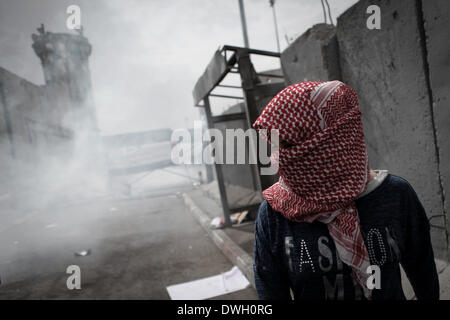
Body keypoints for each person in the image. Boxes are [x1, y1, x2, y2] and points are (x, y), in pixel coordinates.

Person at [252, 80, 439, 300]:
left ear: (328, 143)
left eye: (289, 145)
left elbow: (424, 275)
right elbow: (270, 293)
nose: (278, 157)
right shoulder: (274, 213)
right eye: (276, 145)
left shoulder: (396, 195)